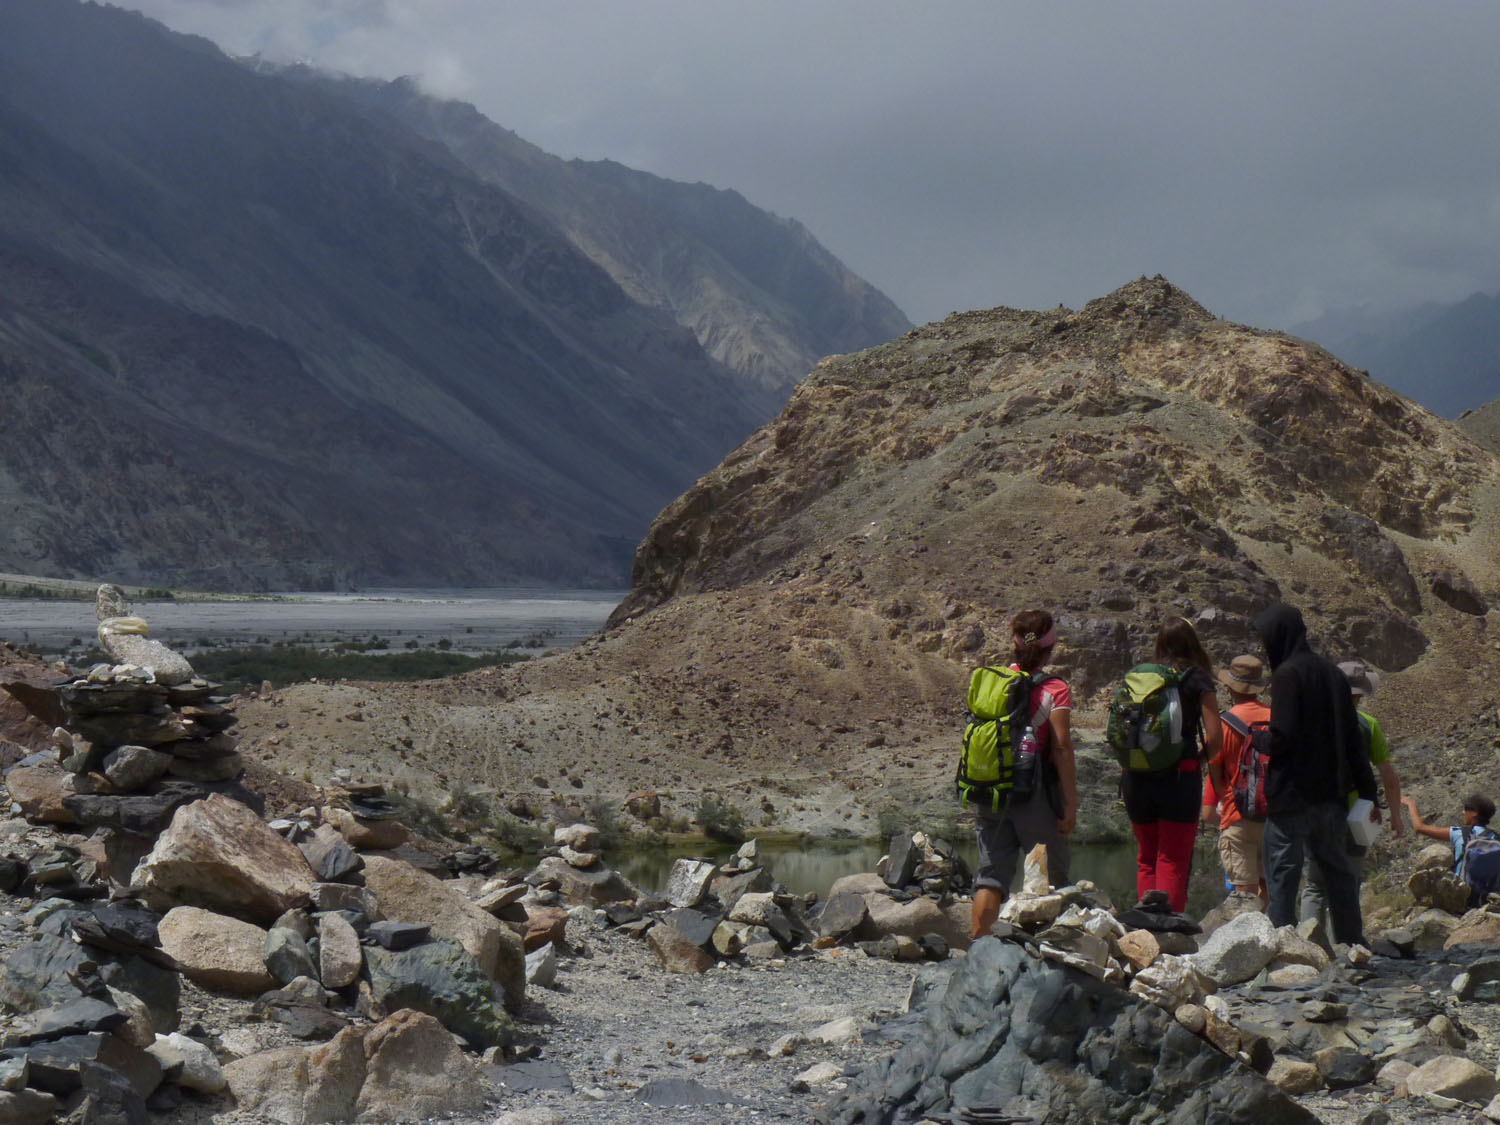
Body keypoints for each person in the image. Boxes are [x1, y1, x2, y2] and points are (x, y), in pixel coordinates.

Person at [1254, 603, 1377, 945]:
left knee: (1283, 872)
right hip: (1331, 796)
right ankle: (1352, 944)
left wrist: (1258, 738)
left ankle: (1282, 946)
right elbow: (1353, 740)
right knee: (1337, 872)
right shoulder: (1333, 675)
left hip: (1291, 796)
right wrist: (1368, 792)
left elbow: (1283, 737)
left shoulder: (1286, 675)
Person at [970, 610, 1080, 939]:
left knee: (990, 879)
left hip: (989, 789)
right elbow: (1061, 748)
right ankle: (1050, 954)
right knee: (1051, 879)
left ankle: (978, 950)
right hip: (1034, 795)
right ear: (1051, 647)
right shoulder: (1055, 689)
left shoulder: (993, 682)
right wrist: (1070, 803)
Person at [1121, 618, 1221, 914]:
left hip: (1137, 777)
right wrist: (1196, 761)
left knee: (1146, 857)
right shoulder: (1198, 679)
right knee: (1173, 858)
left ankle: (1145, 925)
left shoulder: (1143, 678)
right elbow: (1216, 738)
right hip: (1180, 778)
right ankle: (1170, 929)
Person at [1299, 660, 1404, 927]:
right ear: (1360, 694)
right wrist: (1395, 815)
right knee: (1349, 882)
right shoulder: (1368, 725)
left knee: (1315, 886)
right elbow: (1389, 776)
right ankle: (1346, 944)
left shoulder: (1310, 723)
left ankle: (1308, 944)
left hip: (1317, 811)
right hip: (1358, 812)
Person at [1201, 653, 1269, 903]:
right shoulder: (1278, 719)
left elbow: (1214, 775)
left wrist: (1227, 800)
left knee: (1244, 896)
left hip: (1236, 814)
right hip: (1274, 816)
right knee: (1270, 890)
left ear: (1230, 688)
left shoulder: (1223, 725)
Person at [1402, 793, 1497, 878]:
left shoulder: (1461, 833)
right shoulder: (1496, 838)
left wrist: (1411, 804)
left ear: (1474, 813)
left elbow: (1419, 827)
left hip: (1463, 891)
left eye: (1466, 809)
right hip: (1490, 892)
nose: (1463, 812)